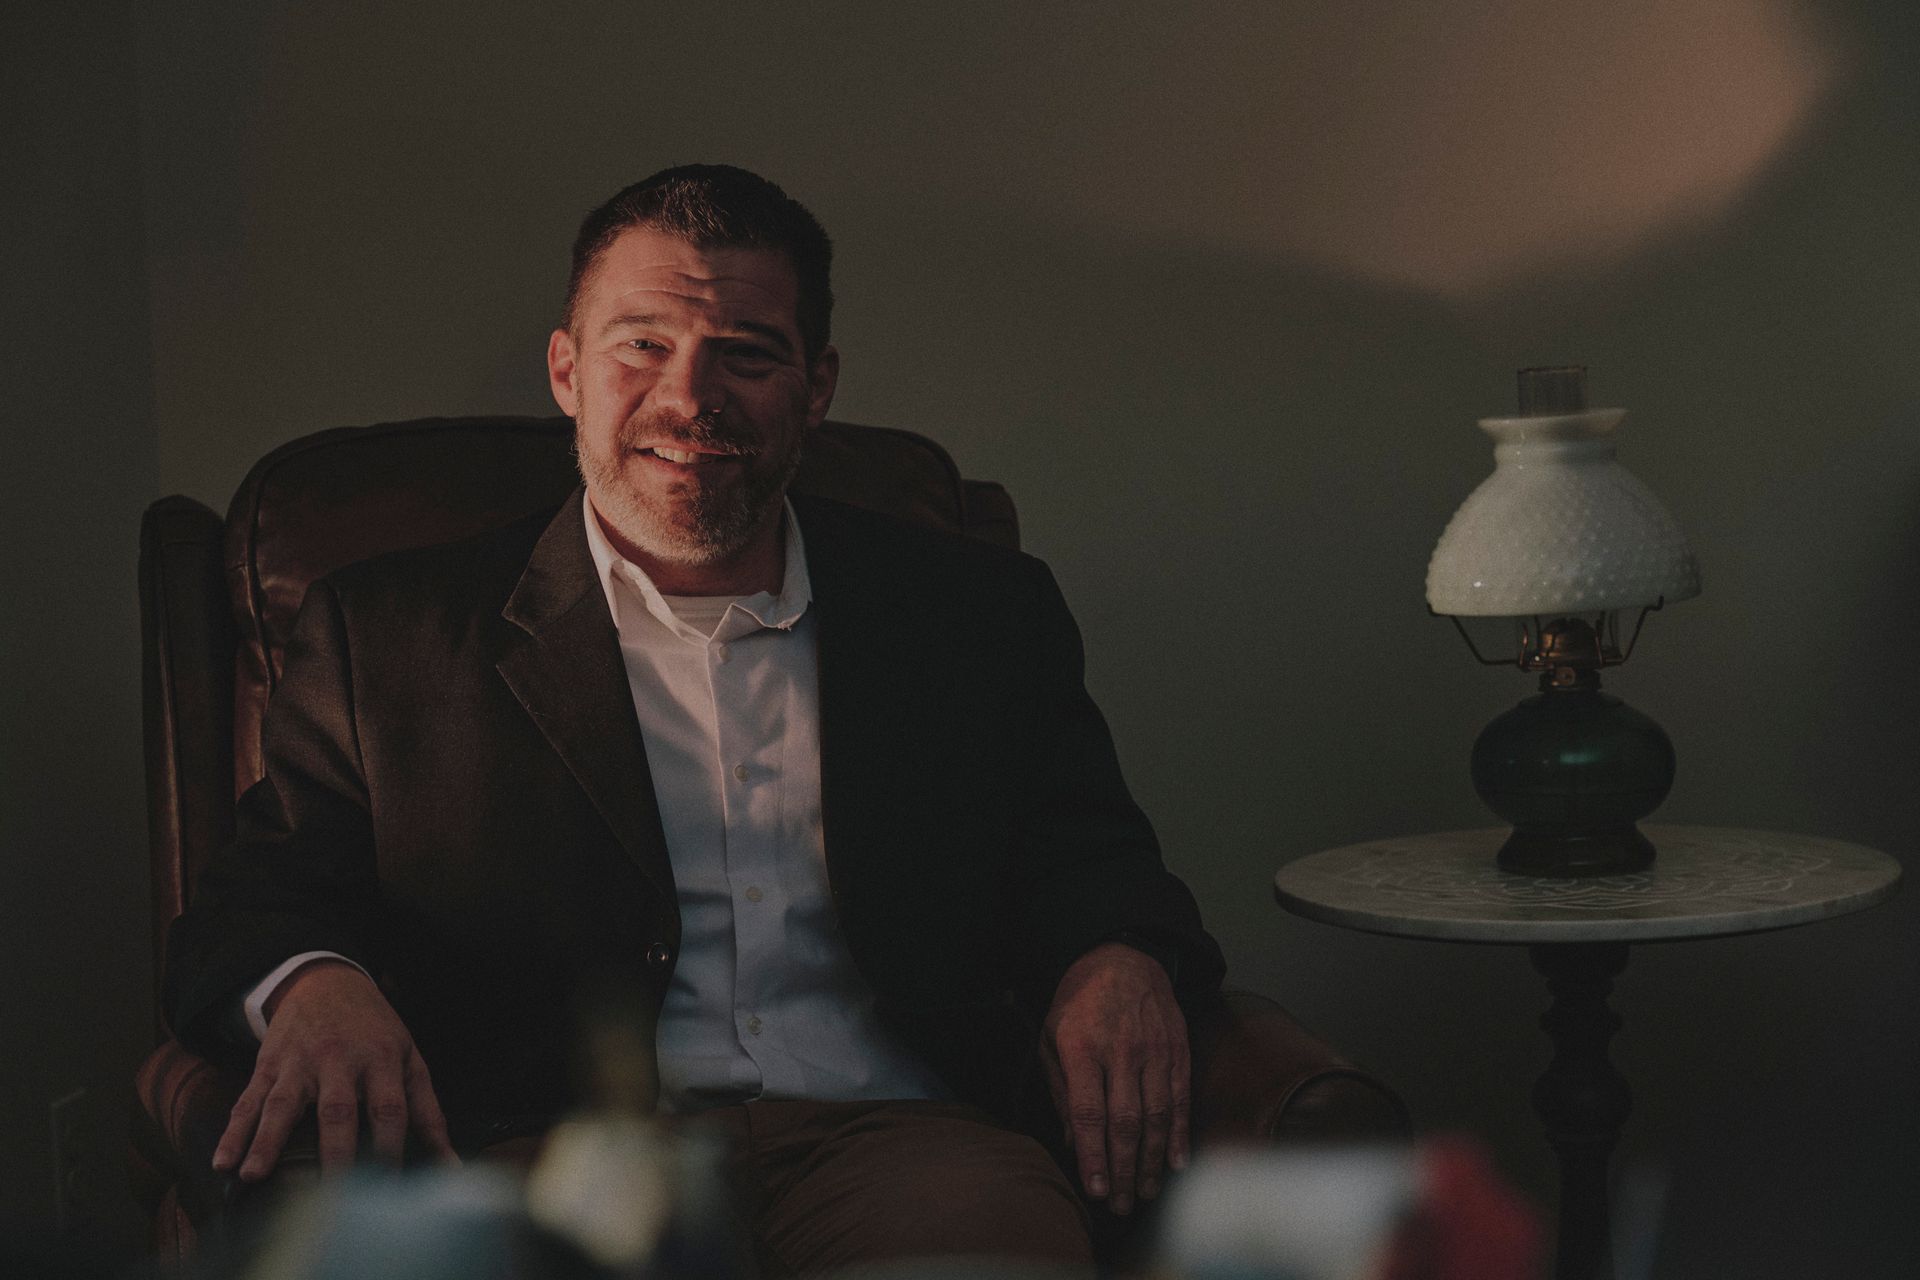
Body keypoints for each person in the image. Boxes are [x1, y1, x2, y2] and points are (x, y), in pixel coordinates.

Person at [164, 164, 1225, 1274]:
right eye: (641, 344)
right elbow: (250, 903)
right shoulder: (385, 633)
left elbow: (1098, 860)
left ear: (816, 388)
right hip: (554, 1157)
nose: (688, 395)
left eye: (746, 353)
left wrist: (1114, 955)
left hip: (909, 1149)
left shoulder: (977, 616)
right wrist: (316, 982)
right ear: (567, 369)